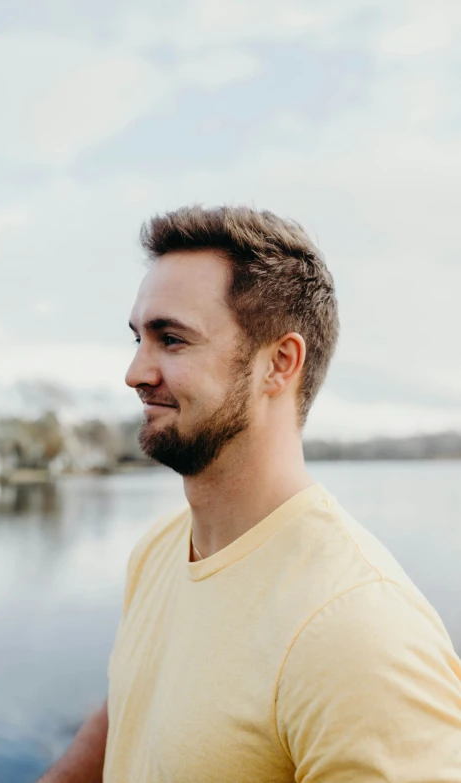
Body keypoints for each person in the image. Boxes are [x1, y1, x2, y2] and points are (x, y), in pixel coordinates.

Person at [39, 206, 461, 783]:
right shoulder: (160, 549)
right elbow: (130, 712)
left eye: (172, 339)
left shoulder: (357, 629)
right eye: (139, 338)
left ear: (279, 364)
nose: (135, 372)